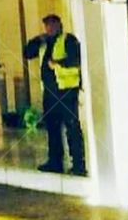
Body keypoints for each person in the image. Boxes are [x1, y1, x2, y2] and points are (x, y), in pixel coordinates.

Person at [24, 14, 86, 176]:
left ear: (60, 25)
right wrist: (38, 39)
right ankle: (55, 161)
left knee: (72, 126)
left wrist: (57, 64)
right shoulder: (45, 43)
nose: (49, 28)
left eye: (52, 25)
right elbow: (27, 53)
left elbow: (76, 61)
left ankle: (78, 163)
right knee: (52, 126)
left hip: (66, 90)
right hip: (50, 92)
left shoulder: (68, 40)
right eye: (47, 26)